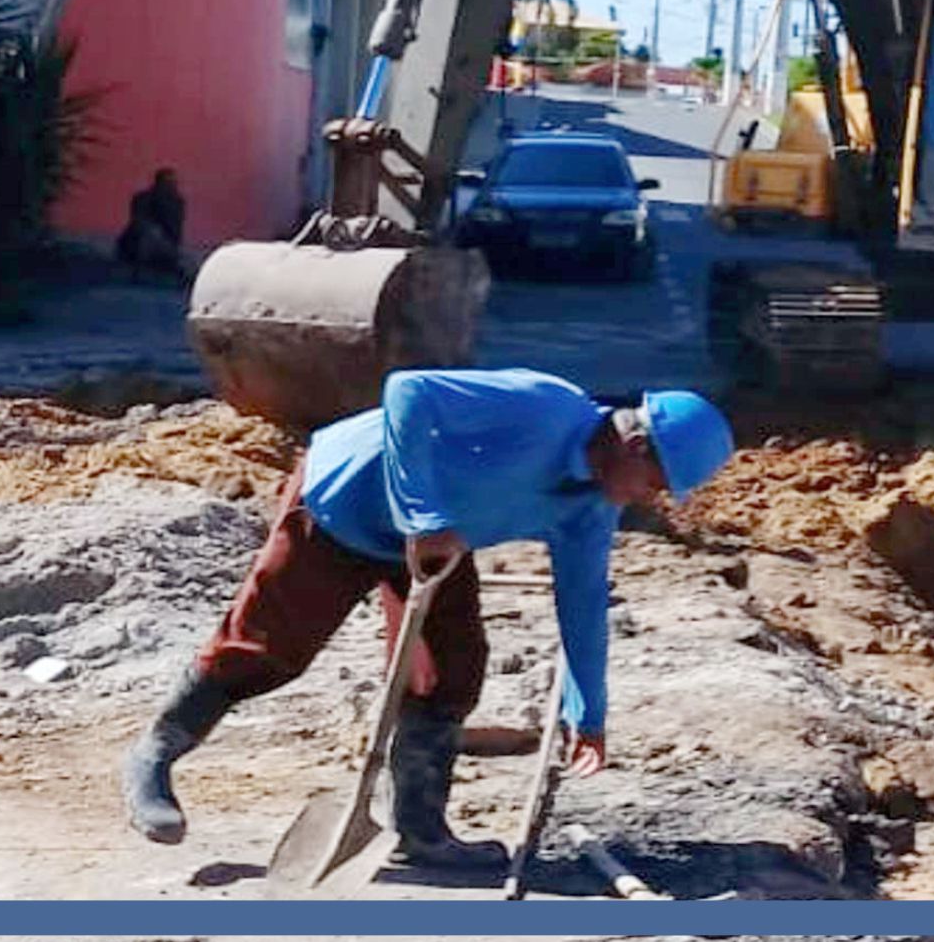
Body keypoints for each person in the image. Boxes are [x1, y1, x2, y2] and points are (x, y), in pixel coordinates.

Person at [119, 368, 735, 870]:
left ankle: (420, 829)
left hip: (430, 544)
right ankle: (155, 755)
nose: (645, 498)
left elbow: (581, 606)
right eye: (652, 482)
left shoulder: (590, 510)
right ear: (633, 444)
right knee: (266, 650)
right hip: (345, 503)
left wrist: (588, 712)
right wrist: (424, 516)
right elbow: (407, 391)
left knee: (450, 670)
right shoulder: (544, 407)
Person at [116, 167, 186, 279]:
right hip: (140, 244)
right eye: (168, 183)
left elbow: (177, 230)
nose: (171, 186)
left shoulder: (177, 202)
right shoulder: (143, 199)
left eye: (172, 183)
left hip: (165, 246)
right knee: (149, 234)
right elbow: (138, 222)